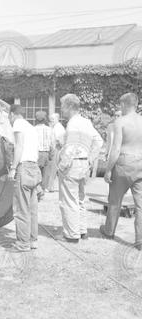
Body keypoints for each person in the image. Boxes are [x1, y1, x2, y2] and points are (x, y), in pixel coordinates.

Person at [57, 94, 103, 243]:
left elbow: (70, 148)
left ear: (70, 106)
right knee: (80, 199)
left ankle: (71, 235)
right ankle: (82, 231)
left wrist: (62, 166)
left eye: (62, 106)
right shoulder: (86, 122)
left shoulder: (72, 123)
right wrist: (90, 159)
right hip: (83, 164)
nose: (61, 109)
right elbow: (99, 141)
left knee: (69, 200)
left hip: (72, 165)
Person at [100, 93, 142, 250]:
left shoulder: (121, 121)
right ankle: (140, 240)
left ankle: (109, 231)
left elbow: (116, 149)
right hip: (140, 163)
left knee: (115, 201)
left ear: (124, 104)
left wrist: (108, 170)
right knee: (140, 206)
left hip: (124, 163)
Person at [8, 104, 41, 252]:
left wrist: (13, 168)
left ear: (13, 114)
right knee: (32, 208)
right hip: (35, 167)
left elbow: (19, 146)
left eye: (9, 116)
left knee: (21, 208)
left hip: (24, 168)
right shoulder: (31, 127)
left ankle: (22, 243)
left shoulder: (18, 124)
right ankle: (33, 240)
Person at [35, 111, 54, 193]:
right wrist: (51, 154)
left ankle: (37, 189)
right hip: (46, 153)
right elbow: (52, 143)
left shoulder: (33, 129)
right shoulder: (49, 130)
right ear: (45, 119)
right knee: (46, 173)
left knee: (36, 172)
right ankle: (43, 189)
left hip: (36, 153)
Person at [46, 113, 66, 192]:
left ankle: (50, 187)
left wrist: (56, 149)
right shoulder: (56, 127)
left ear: (57, 119)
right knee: (56, 169)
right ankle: (51, 187)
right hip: (58, 149)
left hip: (57, 149)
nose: (51, 121)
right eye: (51, 119)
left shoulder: (58, 127)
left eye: (53, 119)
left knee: (53, 169)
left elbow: (60, 140)